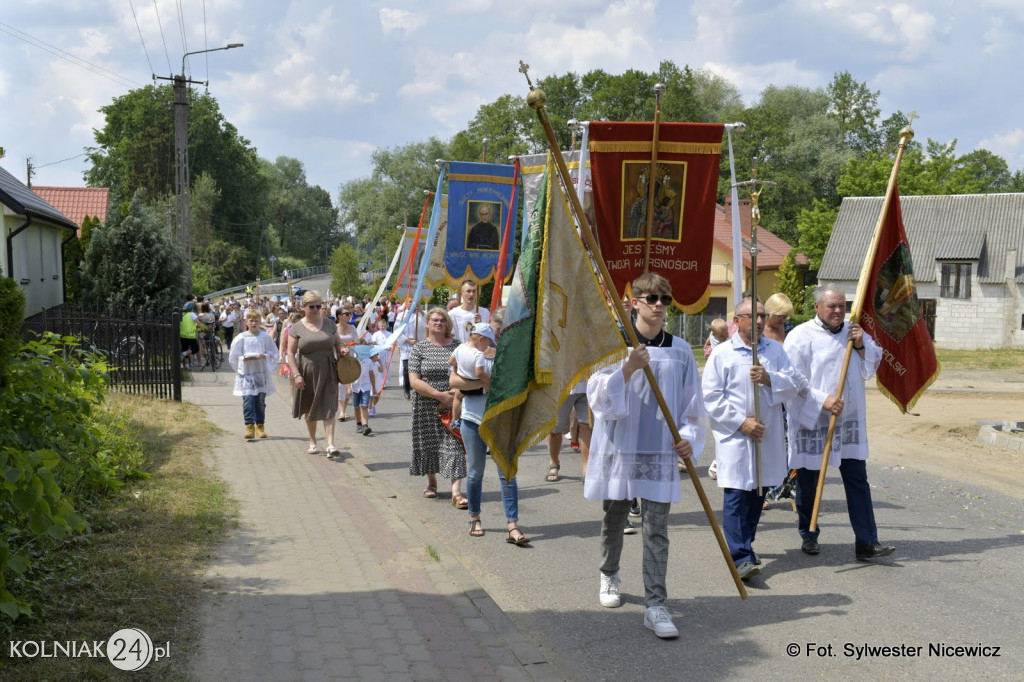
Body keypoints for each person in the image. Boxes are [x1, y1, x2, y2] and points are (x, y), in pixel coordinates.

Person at [584, 273, 705, 639]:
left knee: (657, 529)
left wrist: (688, 439)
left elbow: (692, 406)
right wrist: (628, 367)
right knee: (614, 518)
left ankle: (656, 604)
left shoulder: (680, 349)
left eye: (665, 300)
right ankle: (609, 574)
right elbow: (597, 397)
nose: (658, 306)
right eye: (651, 298)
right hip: (621, 446)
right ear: (634, 301)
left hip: (659, 450)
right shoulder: (614, 343)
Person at [783, 283, 895, 561]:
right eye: (831, 306)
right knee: (809, 481)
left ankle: (867, 541)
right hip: (815, 419)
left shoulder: (853, 331)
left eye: (841, 305)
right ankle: (809, 533)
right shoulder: (799, 337)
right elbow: (791, 381)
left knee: (857, 479)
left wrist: (859, 346)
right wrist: (822, 400)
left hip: (849, 420)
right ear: (817, 307)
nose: (837, 311)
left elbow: (872, 363)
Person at [702, 297, 803, 581]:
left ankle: (745, 546)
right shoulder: (723, 354)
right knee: (736, 493)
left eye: (762, 315)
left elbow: (795, 382)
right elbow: (711, 396)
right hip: (736, 435)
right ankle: (740, 556)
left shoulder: (774, 351)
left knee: (757, 492)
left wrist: (770, 379)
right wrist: (740, 422)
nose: (759, 321)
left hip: (765, 432)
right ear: (737, 320)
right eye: (752, 316)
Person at [449, 312, 530, 545]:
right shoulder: (472, 353)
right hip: (473, 418)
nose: (496, 335)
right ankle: (474, 517)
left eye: (502, 331)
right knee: (475, 472)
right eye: (495, 329)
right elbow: (454, 382)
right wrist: (482, 385)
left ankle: (512, 524)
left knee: (507, 472)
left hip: (501, 418)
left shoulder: (511, 354)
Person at [409, 307, 467, 506]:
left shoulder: (458, 346)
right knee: (429, 444)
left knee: (455, 445)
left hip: (453, 403)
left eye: (442, 320)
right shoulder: (420, 348)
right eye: (434, 320)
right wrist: (438, 395)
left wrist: (452, 395)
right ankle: (431, 482)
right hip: (426, 405)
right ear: (427, 323)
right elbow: (414, 380)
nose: (439, 323)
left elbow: (466, 372)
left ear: (447, 324)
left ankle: (456, 492)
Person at [287, 290, 349, 457]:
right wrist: (296, 375)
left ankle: (330, 444)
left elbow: (338, 343)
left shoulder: (329, 324)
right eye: (312, 306)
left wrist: (342, 349)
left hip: (328, 369)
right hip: (307, 371)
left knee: (329, 405)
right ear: (303, 307)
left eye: (318, 306)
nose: (316, 309)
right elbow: (290, 353)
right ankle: (313, 441)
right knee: (310, 406)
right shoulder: (297, 327)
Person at [228, 309, 279, 440]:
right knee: (248, 400)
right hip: (247, 374)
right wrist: (243, 359)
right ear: (246, 322)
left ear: (260, 322)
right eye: (251, 320)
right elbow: (233, 356)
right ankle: (249, 426)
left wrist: (264, 356)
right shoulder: (240, 338)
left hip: (260, 374)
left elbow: (274, 353)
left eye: (256, 320)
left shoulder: (265, 337)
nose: (254, 323)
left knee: (260, 401)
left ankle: (260, 426)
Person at [447, 322, 494, 425]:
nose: (488, 347)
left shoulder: (460, 347)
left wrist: (459, 367)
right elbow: (479, 373)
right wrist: (492, 382)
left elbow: (450, 362)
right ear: (481, 339)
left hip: (463, 384)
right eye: (488, 343)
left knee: (458, 397)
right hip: (477, 386)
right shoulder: (478, 354)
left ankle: (455, 420)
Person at [545, 381, 591, 481]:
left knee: (587, 426)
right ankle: (554, 462)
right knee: (555, 428)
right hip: (562, 385)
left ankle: (587, 467)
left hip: (588, 384)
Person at [351, 346, 384, 437]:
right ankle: (358, 424)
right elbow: (348, 375)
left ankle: (365, 426)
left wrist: (373, 387)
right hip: (355, 387)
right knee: (356, 407)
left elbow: (371, 375)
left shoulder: (368, 361)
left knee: (364, 406)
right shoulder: (352, 361)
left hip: (365, 387)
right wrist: (348, 388)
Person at [335, 306, 360, 423]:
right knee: (341, 385)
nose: (349, 315)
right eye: (346, 314)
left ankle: (343, 410)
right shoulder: (334, 328)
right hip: (338, 359)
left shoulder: (352, 327)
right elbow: (332, 343)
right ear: (339, 316)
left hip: (350, 359)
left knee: (349, 384)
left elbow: (357, 341)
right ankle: (341, 412)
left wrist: (352, 347)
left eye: (349, 314)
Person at [448, 279, 490, 343]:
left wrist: (480, 324)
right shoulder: (452, 314)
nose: (471, 294)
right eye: (468, 291)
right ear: (461, 293)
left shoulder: (484, 312)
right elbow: (450, 336)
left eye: (474, 291)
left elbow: (488, 336)